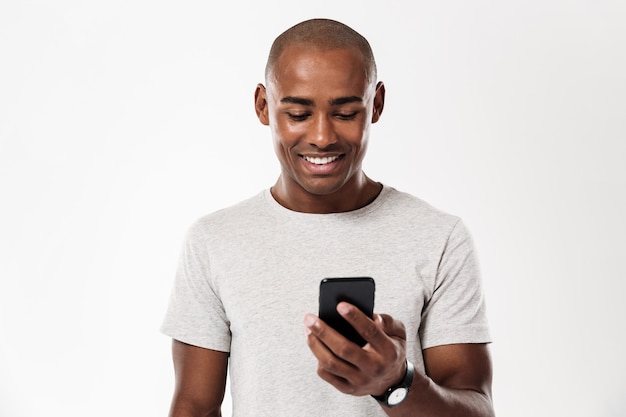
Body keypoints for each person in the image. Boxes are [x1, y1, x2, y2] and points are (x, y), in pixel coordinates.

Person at [161, 18, 494, 417]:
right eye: (299, 114)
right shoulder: (214, 241)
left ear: (377, 105)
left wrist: (396, 384)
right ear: (264, 106)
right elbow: (194, 406)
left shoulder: (439, 238)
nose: (322, 137)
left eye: (346, 112)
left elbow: (476, 406)